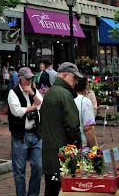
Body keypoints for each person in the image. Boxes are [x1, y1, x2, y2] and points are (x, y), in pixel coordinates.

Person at [40, 62, 83, 196]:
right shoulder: (64, 94)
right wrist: (76, 149)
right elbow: (73, 126)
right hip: (63, 156)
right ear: (65, 76)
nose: (76, 82)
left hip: (49, 154)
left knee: (50, 190)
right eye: (74, 78)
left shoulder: (50, 93)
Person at [8, 67, 43, 196]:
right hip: (20, 135)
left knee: (38, 167)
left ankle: (33, 194)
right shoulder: (13, 92)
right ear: (20, 79)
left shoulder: (33, 90)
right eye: (27, 79)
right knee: (19, 170)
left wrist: (32, 93)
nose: (29, 81)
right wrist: (33, 108)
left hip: (35, 134)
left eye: (31, 79)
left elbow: (41, 104)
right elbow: (17, 112)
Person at [74, 76, 95, 150]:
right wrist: (94, 148)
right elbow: (87, 128)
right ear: (85, 86)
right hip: (83, 144)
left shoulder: (67, 98)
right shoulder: (85, 101)